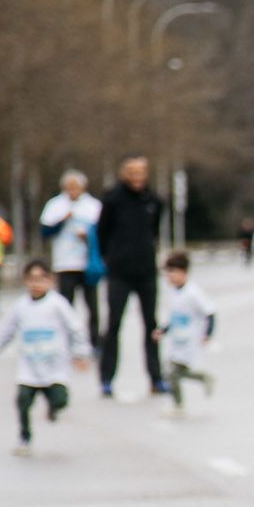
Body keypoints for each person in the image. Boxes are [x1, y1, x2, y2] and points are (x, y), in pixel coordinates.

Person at [0, 259, 91, 456]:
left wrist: (80, 354)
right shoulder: (20, 306)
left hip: (54, 366)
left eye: (41, 279)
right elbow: (8, 330)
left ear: (50, 281)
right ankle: (24, 437)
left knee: (60, 400)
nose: (36, 284)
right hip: (29, 366)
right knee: (22, 401)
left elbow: (76, 328)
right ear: (25, 281)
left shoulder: (57, 304)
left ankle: (53, 408)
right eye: (32, 279)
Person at [96, 154, 167, 397]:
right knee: (114, 324)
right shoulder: (113, 199)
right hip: (119, 272)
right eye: (132, 172)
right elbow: (102, 233)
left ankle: (156, 377)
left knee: (151, 325)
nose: (137, 177)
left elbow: (154, 230)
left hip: (146, 271)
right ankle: (107, 378)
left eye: (141, 172)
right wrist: (111, 257)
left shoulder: (153, 200)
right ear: (124, 174)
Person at [39, 171, 103, 347]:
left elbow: (103, 234)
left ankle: (94, 341)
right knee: (66, 306)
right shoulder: (55, 205)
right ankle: (67, 340)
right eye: (69, 187)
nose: (73, 191)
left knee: (92, 306)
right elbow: (45, 231)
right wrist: (62, 220)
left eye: (76, 187)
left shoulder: (93, 206)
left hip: (88, 264)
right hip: (65, 263)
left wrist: (88, 237)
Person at [152, 250, 217, 417]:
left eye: (173, 273)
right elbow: (173, 317)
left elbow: (210, 312)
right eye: (168, 273)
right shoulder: (174, 292)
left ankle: (178, 405)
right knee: (177, 372)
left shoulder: (193, 293)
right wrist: (162, 330)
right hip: (178, 339)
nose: (170, 277)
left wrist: (207, 334)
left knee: (172, 373)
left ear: (184, 272)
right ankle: (203, 377)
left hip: (190, 340)